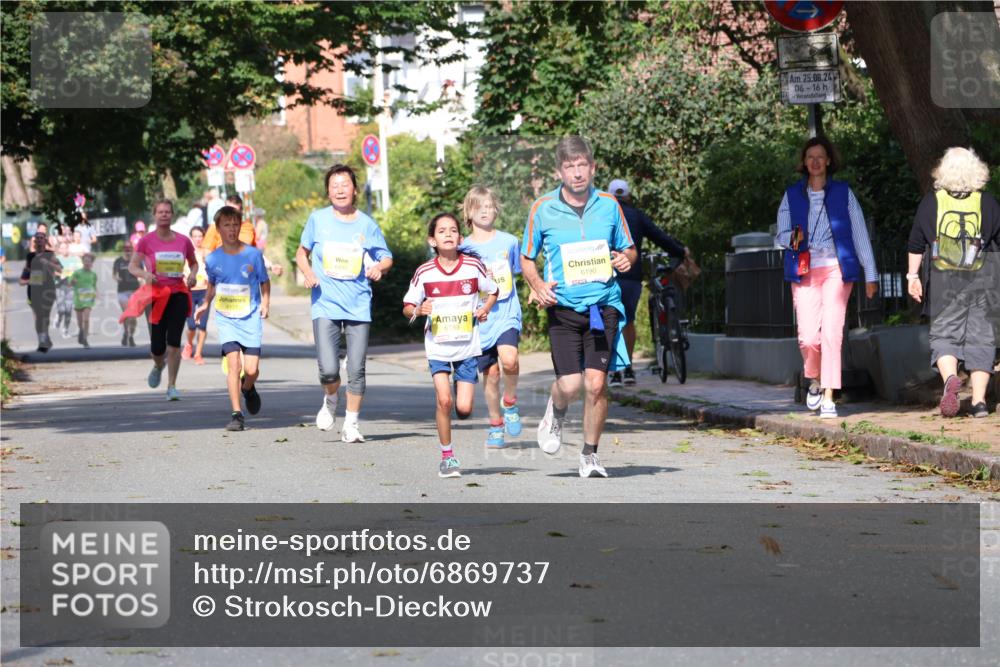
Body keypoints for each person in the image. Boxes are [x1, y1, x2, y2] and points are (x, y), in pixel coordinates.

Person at [521, 136, 637, 479]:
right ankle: (556, 411)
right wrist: (538, 285)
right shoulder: (542, 208)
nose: (576, 173)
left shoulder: (609, 205)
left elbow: (628, 250)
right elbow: (527, 259)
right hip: (564, 307)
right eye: (569, 167)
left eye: (582, 165)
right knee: (570, 386)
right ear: (560, 171)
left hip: (604, 306)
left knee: (597, 385)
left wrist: (625, 259)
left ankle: (590, 455)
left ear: (592, 167)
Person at [775, 136, 878, 419]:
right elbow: (781, 234)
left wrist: (871, 274)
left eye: (821, 157)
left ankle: (831, 395)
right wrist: (795, 239)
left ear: (829, 161)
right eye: (811, 157)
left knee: (832, 333)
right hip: (804, 269)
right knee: (809, 338)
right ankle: (815, 380)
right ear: (804, 163)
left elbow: (859, 234)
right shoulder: (792, 194)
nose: (816, 162)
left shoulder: (844, 193)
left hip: (837, 269)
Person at [296, 164, 393, 442]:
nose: (340, 189)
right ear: (328, 191)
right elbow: (302, 254)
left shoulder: (366, 224)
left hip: (358, 303)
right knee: (328, 370)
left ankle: (351, 424)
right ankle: (330, 399)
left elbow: (386, 257)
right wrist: (308, 272)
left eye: (345, 184)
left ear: (354, 189)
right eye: (334, 185)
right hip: (325, 302)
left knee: (356, 369)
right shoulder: (318, 219)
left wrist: (379, 268)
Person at [906, 147, 1000, 418]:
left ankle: (950, 380)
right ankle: (980, 401)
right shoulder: (988, 203)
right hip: (982, 282)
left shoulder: (931, 202)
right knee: (982, 339)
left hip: (943, 282)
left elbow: (915, 243)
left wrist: (913, 277)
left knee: (945, 336)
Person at [403, 213, 499, 477]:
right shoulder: (424, 272)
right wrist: (419, 309)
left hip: (467, 347)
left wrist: (484, 309)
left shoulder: (472, 267)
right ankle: (448, 457)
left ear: (460, 237)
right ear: (432, 240)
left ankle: (460, 386)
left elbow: (493, 291)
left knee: (464, 409)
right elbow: (407, 306)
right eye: (442, 231)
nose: (448, 234)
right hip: (438, 346)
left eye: (453, 230)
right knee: (444, 401)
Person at [605, 178, 689, 387]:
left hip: (607, 276)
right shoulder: (637, 216)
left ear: (608, 197)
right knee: (629, 321)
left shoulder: (603, 216)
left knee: (612, 321)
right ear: (629, 196)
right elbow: (659, 236)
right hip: (632, 277)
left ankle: (614, 372)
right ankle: (629, 369)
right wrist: (680, 251)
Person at [193, 206, 270, 431]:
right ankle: (237, 414)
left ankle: (248, 388)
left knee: (252, 370)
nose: (232, 229)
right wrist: (206, 303)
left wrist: (265, 302)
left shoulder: (253, 254)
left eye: (235, 224)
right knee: (234, 364)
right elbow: (212, 285)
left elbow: (264, 281)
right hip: (226, 319)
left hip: (250, 317)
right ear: (218, 229)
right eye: (226, 225)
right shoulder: (213, 258)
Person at [460, 185, 524, 448]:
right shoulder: (463, 247)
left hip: (507, 312)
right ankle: (495, 424)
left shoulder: (510, 242)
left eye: (489, 206)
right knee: (492, 374)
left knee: (510, 360)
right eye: (479, 207)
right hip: (479, 319)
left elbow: (518, 272)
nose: (485, 211)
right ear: (469, 212)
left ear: (497, 210)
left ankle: (509, 401)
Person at [127, 199, 198, 400]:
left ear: (172, 214)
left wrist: (192, 275)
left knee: (174, 342)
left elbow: (193, 264)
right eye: (160, 212)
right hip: (155, 296)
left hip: (178, 294)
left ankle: (172, 386)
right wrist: (145, 275)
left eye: (167, 211)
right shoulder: (146, 241)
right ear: (155, 215)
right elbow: (133, 266)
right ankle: (159, 365)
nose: (164, 214)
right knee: (157, 346)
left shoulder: (183, 241)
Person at [19, 232, 60, 352]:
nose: (39, 240)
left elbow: (59, 269)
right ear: (34, 242)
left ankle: (45, 336)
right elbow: (25, 274)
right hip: (34, 290)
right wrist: (28, 279)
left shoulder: (50, 254)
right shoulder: (30, 256)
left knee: (45, 316)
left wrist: (48, 264)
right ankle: (42, 340)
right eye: (37, 238)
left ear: (45, 240)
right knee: (38, 316)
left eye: (41, 238)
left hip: (48, 289)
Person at [183, 226, 210, 364]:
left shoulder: (208, 253)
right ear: (191, 238)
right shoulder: (186, 253)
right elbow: (180, 271)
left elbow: (215, 270)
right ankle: (189, 344)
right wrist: (183, 278)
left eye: (200, 236)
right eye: (195, 236)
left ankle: (198, 354)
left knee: (203, 326)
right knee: (192, 325)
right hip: (189, 291)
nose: (198, 239)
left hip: (205, 291)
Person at [113, 243, 141, 346]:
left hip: (135, 291)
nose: (128, 250)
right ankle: (126, 332)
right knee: (127, 314)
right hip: (123, 291)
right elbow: (114, 274)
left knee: (133, 316)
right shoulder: (118, 261)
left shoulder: (137, 261)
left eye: (130, 248)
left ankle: (130, 336)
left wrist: (141, 279)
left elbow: (141, 273)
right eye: (126, 248)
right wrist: (117, 278)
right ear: (123, 249)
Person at [54, 241, 81, 338]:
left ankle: (65, 329)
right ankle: (58, 317)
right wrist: (61, 274)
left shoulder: (75, 259)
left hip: (71, 287)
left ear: (68, 249)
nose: (64, 250)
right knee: (61, 309)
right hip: (59, 286)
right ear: (59, 250)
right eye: (62, 248)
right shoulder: (56, 259)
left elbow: (80, 272)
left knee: (69, 309)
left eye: (66, 248)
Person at [71, 253, 97, 348]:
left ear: (91, 263)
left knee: (86, 319)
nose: (87, 263)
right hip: (78, 299)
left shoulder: (93, 274)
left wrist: (97, 294)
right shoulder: (77, 273)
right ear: (82, 262)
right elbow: (71, 283)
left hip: (88, 300)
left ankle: (85, 338)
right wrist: (73, 281)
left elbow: (94, 286)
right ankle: (81, 331)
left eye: (89, 261)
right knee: (79, 320)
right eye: (85, 261)